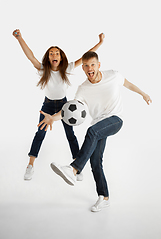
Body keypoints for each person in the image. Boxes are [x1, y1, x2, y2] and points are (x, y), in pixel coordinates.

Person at [37, 51, 152, 212]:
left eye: (92, 64)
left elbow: (128, 84)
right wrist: (52, 118)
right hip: (99, 125)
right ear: (83, 68)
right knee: (95, 162)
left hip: (115, 119)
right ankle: (104, 197)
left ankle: (74, 169)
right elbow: (69, 109)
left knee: (92, 131)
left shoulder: (113, 75)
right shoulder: (83, 89)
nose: (89, 68)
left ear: (98, 65)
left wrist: (143, 93)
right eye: (85, 66)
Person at [13, 29, 105, 180]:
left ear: (61, 57)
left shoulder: (67, 68)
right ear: (48, 58)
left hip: (65, 106)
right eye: (51, 53)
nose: (54, 55)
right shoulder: (43, 70)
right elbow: (30, 56)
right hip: (47, 106)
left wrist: (100, 43)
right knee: (40, 134)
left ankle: (77, 168)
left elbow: (85, 57)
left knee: (70, 135)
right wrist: (19, 38)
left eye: (57, 53)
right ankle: (30, 165)